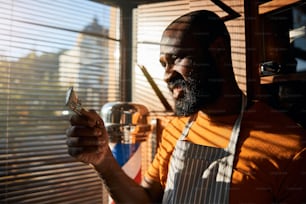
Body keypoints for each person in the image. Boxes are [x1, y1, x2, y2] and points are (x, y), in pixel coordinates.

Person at [66, 10, 306, 203]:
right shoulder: (176, 129)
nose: (167, 76)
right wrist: (104, 160)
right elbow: (146, 199)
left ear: (219, 50)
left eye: (177, 58)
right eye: (163, 64)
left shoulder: (289, 146)